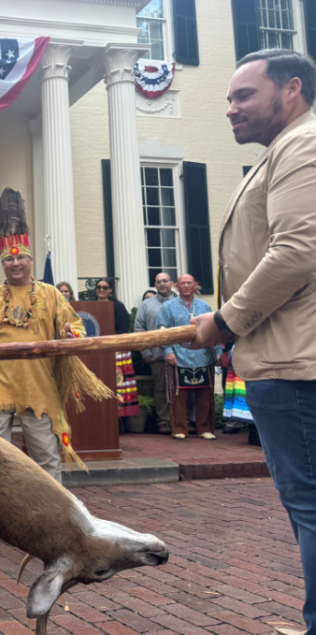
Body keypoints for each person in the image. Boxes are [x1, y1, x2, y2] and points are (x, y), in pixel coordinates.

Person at [190, 49, 316, 635]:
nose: (231, 109)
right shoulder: (284, 152)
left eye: (244, 96)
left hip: (295, 364)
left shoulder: (302, 144)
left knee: (310, 506)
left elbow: (295, 253)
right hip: (286, 358)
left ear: (292, 89)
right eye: (229, 98)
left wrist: (226, 321)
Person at [0, 188, 111, 482]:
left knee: (47, 455)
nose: (15, 264)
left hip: (39, 384)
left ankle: (52, 511)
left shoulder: (50, 294)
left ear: (30, 259)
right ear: (2, 264)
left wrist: (70, 336)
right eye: (9, 261)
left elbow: (75, 327)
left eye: (21, 259)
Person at [158, 274, 221, 440]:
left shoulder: (205, 306)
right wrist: (168, 351)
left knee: (205, 395)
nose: (186, 285)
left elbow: (214, 331)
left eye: (189, 283)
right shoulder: (168, 307)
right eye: (183, 283)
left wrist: (219, 353)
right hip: (178, 356)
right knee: (178, 396)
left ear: (195, 285)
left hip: (203, 356)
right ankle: (179, 428)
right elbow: (162, 332)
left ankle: (204, 428)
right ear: (177, 286)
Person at [133, 273, 176, 434]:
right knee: (161, 389)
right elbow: (139, 329)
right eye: (159, 282)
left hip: (183, 356)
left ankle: (181, 420)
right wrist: (145, 352)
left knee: (183, 389)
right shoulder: (146, 305)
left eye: (165, 281)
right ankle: (164, 422)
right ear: (155, 285)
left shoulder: (180, 303)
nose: (162, 284)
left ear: (171, 283)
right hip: (157, 355)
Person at [94, 278, 138, 420]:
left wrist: (108, 342)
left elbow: (124, 329)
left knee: (117, 384)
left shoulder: (118, 306)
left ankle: (117, 418)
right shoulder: (90, 306)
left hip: (116, 351)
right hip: (95, 351)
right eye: (99, 287)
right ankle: (97, 416)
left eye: (105, 287)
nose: (101, 290)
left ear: (111, 290)